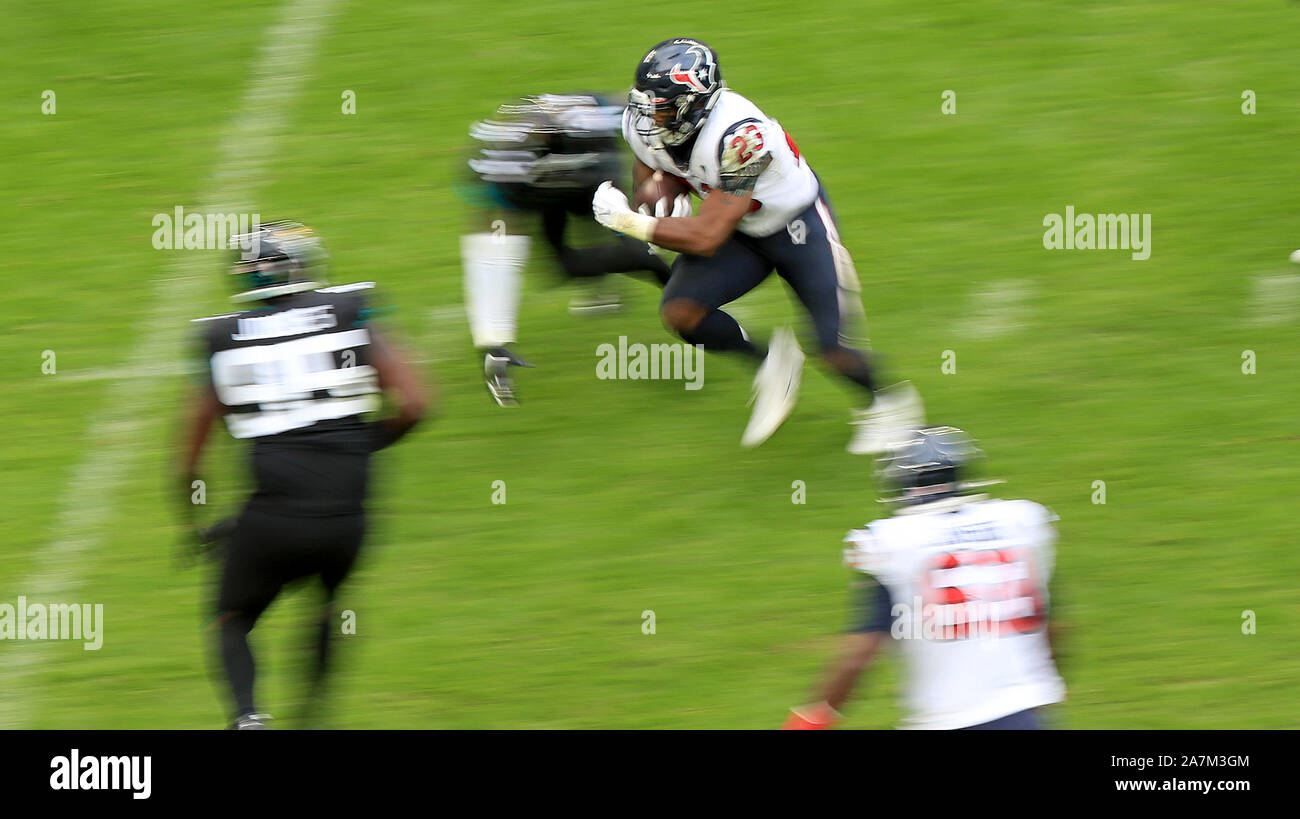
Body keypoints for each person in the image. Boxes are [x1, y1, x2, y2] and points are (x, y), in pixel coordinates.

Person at [593, 38, 923, 451]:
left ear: (693, 105)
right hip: (742, 231)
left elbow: (707, 237)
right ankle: (769, 363)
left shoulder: (740, 136)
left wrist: (629, 221)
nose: (649, 116)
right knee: (681, 312)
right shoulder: (647, 125)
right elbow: (651, 170)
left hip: (798, 227)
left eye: (660, 106)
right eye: (648, 104)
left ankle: (887, 403)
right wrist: (659, 194)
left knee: (833, 348)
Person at [178, 220, 428, 729]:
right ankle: (311, 717)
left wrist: (195, 522)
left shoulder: (222, 337)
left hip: (272, 518)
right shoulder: (351, 311)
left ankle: (248, 717)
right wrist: (363, 444)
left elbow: (191, 455)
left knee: (231, 620)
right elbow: (416, 404)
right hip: (347, 520)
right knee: (329, 604)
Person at [784, 426, 1066, 729]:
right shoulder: (1018, 523)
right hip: (1024, 714)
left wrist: (811, 720)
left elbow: (861, 653)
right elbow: (1051, 624)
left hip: (948, 719)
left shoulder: (892, 542)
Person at [461, 93, 676, 406]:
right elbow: (491, 253)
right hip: (552, 190)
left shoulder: (589, 133)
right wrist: (492, 341)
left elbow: (635, 110)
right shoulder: (503, 171)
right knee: (564, 265)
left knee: (635, 250)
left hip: (592, 177)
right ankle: (617, 283)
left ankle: (680, 287)